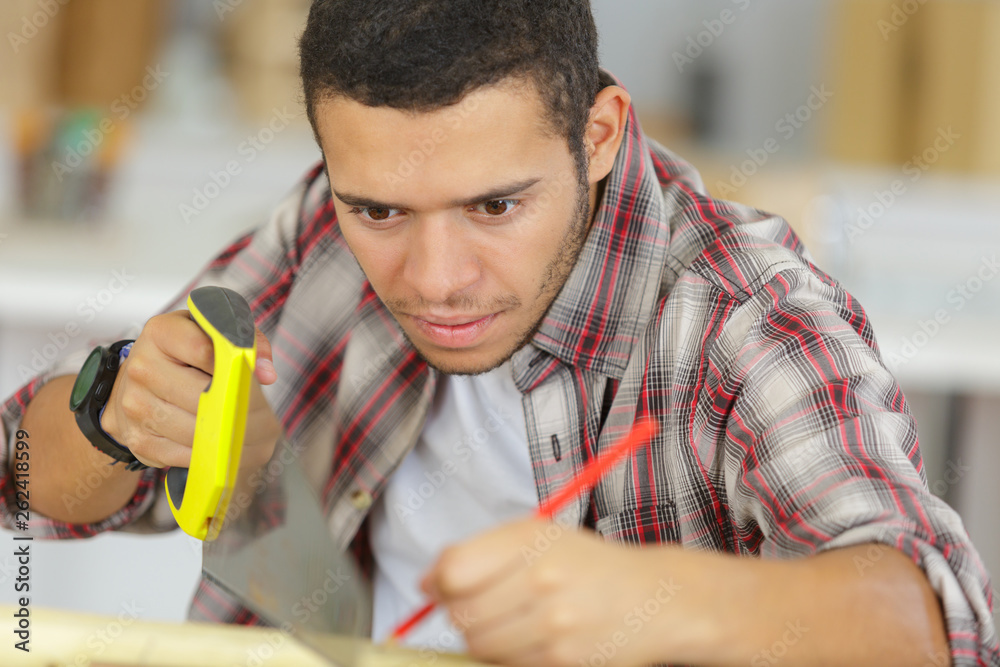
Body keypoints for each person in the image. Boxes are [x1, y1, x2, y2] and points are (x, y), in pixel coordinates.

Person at [3, 0, 998, 665]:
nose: (434, 280)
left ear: (600, 133)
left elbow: (938, 623)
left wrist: (659, 600)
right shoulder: (325, 223)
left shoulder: (745, 317)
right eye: (382, 212)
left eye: (494, 207)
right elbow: (18, 480)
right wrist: (108, 416)